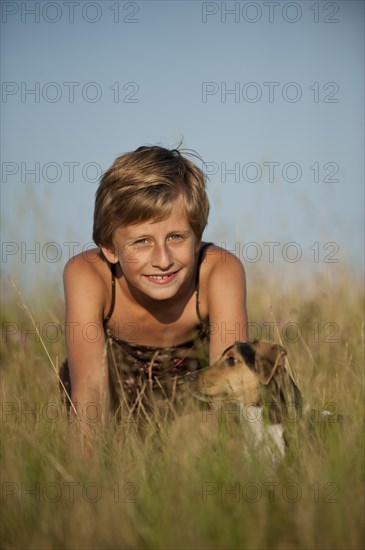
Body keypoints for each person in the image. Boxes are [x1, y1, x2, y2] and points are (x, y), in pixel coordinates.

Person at [60, 145, 248, 436]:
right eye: (142, 242)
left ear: (197, 238)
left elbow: (231, 394)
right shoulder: (88, 276)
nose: (163, 260)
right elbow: (90, 396)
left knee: (193, 434)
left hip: (195, 416)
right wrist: (86, 480)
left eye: (175, 237)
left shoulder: (219, 272)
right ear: (110, 248)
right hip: (118, 415)